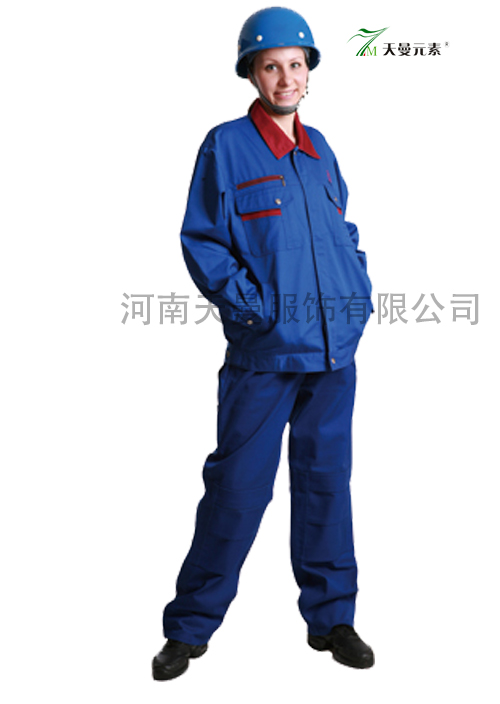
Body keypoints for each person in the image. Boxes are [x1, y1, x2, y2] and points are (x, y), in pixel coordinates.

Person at [152, 7, 375, 681]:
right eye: (271, 66)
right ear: (252, 73)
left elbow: (343, 232)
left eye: (296, 65)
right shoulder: (226, 146)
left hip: (334, 356)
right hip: (265, 355)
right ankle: (190, 627)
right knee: (237, 489)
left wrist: (358, 291)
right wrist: (255, 314)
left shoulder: (320, 148)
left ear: (309, 72)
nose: (286, 78)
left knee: (326, 485)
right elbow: (203, 242)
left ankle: (332, 618)